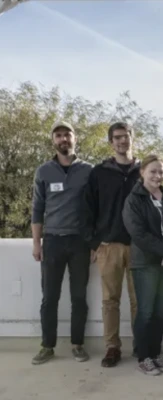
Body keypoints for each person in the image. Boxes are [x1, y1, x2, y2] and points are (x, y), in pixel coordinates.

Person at [31, 120, 93, 365]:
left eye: (67, 134)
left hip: (80, 242)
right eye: (58, 135)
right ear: (53, 141)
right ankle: (47, 346)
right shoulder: (43, 171)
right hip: (53, 242)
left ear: (74, 138)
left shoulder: (89, 170)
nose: (63, 139)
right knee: (50, 298)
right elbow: (37, 209)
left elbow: (95, 209)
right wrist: (37, 243)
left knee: (79, 297)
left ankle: (77, 344)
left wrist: (95, 243)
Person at [83, 122, 139, 367]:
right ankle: (112, 348)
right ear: (110, 142)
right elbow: (87, 209)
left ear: (132, 139)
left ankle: (142, 345)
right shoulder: (99, 173)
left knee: (140, 301)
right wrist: (95, 242)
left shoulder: (144, 170)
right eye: (116, 138)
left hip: (139, 247)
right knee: (110, 300)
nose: (121, 141)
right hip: (109, 247)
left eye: (125, 137)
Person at [123, 155, 163, 376]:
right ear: (142, 172)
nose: (157, 175)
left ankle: (155, 354)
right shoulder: (134, 199)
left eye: (161, 171)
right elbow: (138, 233)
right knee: (145, 312)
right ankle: (144, 357)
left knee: (159, 312)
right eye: (153, 171)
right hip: (145, 263)